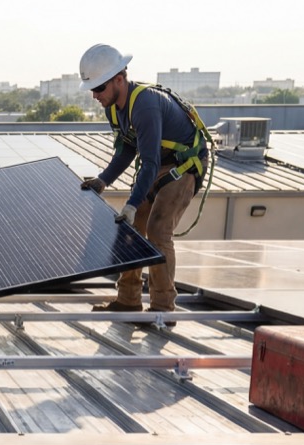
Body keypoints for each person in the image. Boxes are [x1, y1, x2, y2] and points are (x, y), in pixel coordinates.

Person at [77, 43, 208, 321]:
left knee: (158, 229)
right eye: (92, 89)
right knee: (132, 230)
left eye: (99, 88)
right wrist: (103, 181)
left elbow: (147, 162)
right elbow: (126, 149)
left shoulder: (145, 104)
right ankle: (128, 301)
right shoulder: (113, 108)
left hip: (183, 165)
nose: (95, 95)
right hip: (157, 164)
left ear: (119, 80)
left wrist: (133, 203)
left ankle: (163, 309)